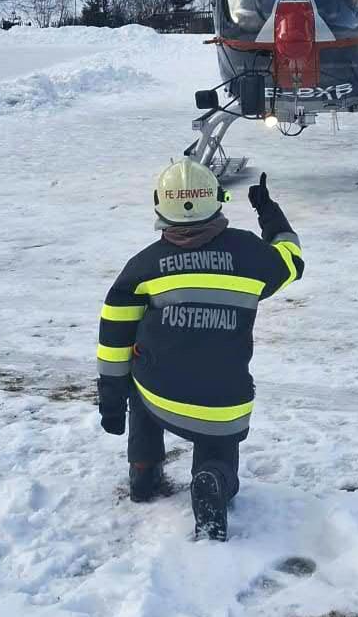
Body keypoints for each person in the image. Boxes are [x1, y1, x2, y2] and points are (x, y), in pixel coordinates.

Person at [97, 159, 304, 541]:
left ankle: (143, 471)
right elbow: (292, 262)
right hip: (223, 401)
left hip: (159, 395)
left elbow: (114, 340)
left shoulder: (142, 266)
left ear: (160, 206)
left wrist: (111, 400)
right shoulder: (250, 256)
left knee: (139, 384)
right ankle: (213, 479)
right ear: (218, 200)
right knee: (217, 446)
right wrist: (269, 212)